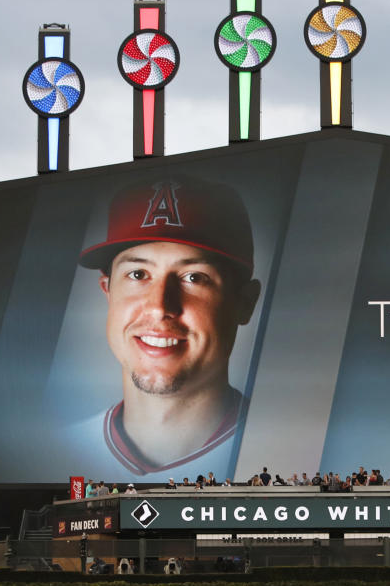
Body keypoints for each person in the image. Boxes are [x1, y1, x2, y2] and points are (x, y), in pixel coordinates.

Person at [76, 176, 261, 478]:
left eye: (194, 277)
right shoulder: (47, 451)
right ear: (107, 290)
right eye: (138, 274)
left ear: (245, 303)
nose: (160, 306)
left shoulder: (293, 449)